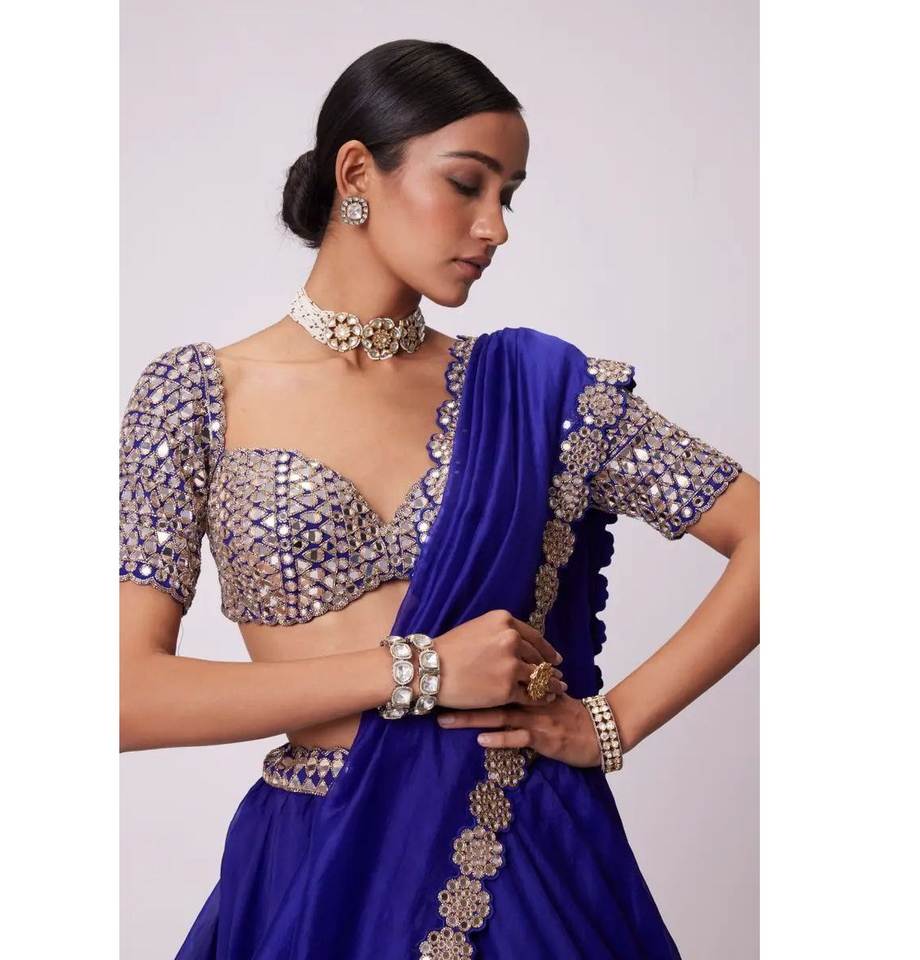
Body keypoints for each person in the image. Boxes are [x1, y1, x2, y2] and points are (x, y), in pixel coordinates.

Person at [119, 39, 759, 960]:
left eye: (509, 195)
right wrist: (416, 671)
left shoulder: (539, 394)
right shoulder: (196, 397)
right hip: (312, 865)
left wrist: (612, 721)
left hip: (513, 857)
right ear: (356, 173)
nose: (495, 227)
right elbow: (126, 696)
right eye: (467, 184)